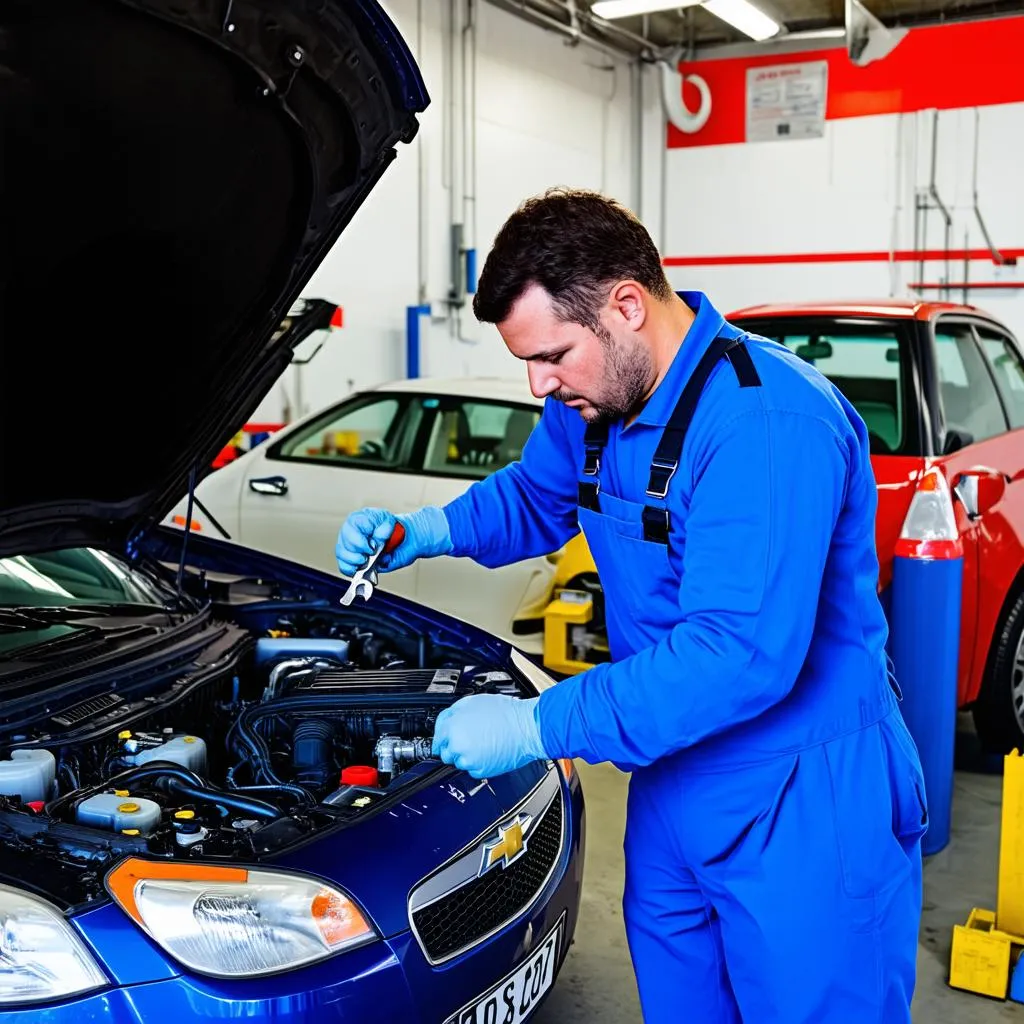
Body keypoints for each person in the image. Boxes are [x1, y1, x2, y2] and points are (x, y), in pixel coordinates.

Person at [334, 188, 926, 1023]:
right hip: (672, 774)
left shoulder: (764, 422)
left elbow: (735, 656)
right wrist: (423, 530)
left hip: (802, 795)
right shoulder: (597, 399)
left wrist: (538, 725)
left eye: (553, 355)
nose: (539, 383)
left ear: (625, 305)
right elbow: (536, 497)